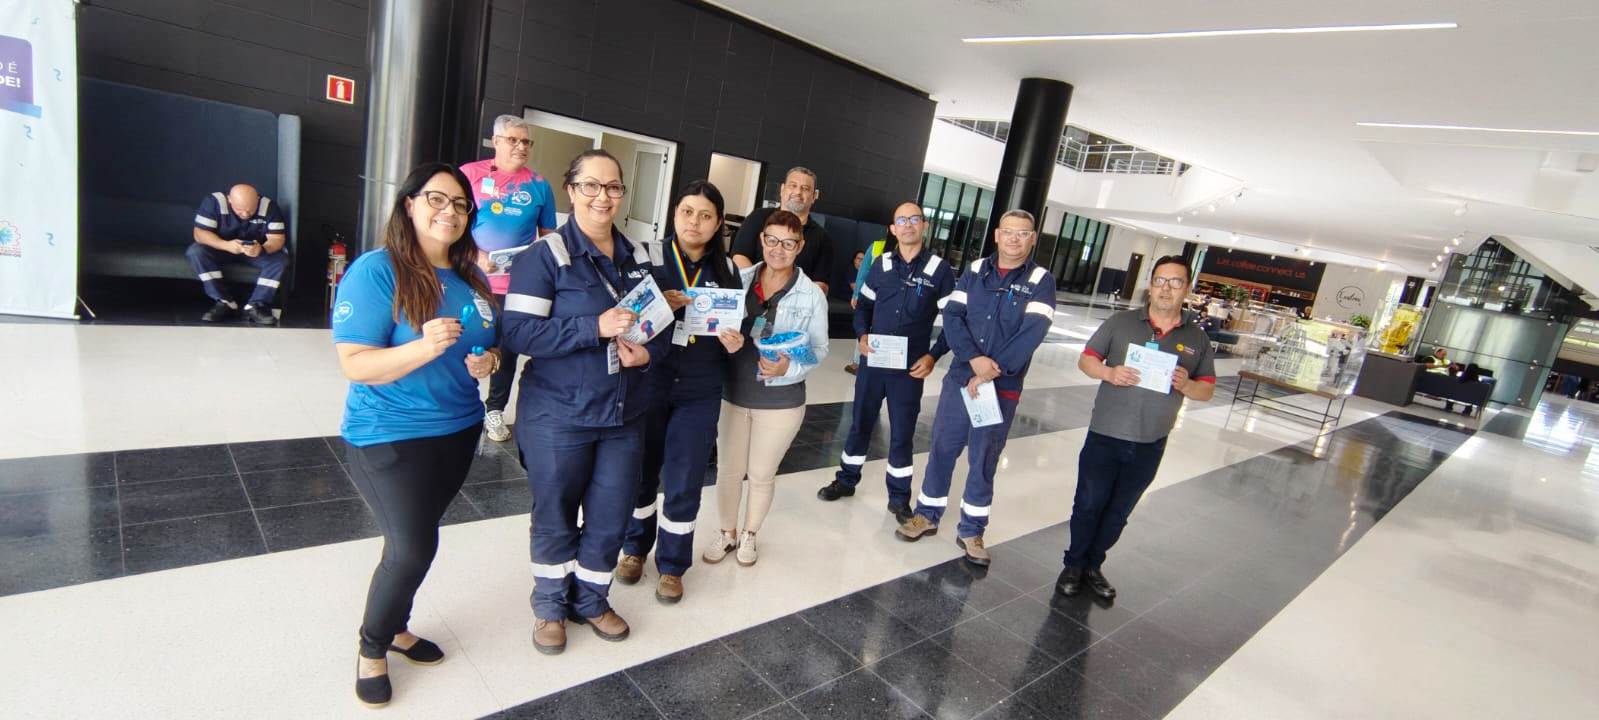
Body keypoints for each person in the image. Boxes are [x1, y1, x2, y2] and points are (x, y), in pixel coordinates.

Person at [330, 163, 500, 708]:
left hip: (458, 431)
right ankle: (372, 646)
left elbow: (489, 344)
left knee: (414, 540)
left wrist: (491, 361)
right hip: (388, 433)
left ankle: (397, 627)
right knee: (412, 547)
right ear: (409, 204)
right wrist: (423, 348)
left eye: (460, 204)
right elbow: (355, 363)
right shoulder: (378, 271)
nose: (450, 211)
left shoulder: (471, 278)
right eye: (436, 199)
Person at [501, 149, 672, 655]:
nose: (603, 196)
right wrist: (591, 327)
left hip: (624, 414)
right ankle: (550, 606)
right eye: (591, 186)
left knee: (611, 514)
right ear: (571, 190)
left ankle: (592, 600)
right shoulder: (544, 257)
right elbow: (518, 332)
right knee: (555, 512)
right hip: (559, 415)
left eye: (613, 187)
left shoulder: (640, 257)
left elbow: (661, 326)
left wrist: (648, 354)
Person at [895, 210, 1057, 567]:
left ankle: (972, 529)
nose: (1014, 239)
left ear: (1032, 239)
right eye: (1009, 232)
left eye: (1023, 234)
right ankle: (927, 514)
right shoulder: (974, 270)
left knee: (983, 458)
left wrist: (989, 371)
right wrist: (973, 359)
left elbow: (1032, 332)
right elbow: (953, 317)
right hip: (960, 379)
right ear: (997, 234)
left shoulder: (1041, 280)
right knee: (942, 447)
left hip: (1001, 385)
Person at [615, 180, 745, 604]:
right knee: (640, 471)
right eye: (688, 212)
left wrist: (735, 343)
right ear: (675, 214)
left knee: (685, 477)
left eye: (706, 216)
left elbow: (737, 328)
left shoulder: (728, 272)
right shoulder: (645, 257)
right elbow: (624, 316)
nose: (695, 222)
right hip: (649, 380)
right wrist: (660, 306)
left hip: (699, 387)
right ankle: (635, 548)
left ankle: (672, 565)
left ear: (718, 224)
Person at [1057, 255, 1217, 600]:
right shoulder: (1122, 323)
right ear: (1151, 284)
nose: (1166, 289)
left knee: (1119, 512)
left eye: (1175, 282)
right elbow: (1086, 360)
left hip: (1151, 442)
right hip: (1106, 434)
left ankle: (1093, 565)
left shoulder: (1197, 339)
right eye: (1160, 280)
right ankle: (1073, 564)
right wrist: (1109, 372)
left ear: (1187, 288)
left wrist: (1187, 384)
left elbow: (1207, 390)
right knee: (1088, 503)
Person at [705, 210, 829, 567]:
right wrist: (723, 342)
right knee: (728, 470)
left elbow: (819, 350)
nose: (778, 249)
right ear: (761, 239)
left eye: (788, 243)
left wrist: (789, 366)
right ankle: (727, 532)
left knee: (761, 474)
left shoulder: (811, 295)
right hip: (733, 393)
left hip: (781, 400)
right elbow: (716, 325)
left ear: (800, 246)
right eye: (772, 240)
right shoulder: (739, 280)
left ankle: (750, 534)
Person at [817, 202, 955, 521]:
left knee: (902, 432)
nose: (908, 225)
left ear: (924, 225)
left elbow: (954, 320)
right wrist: (862, 335)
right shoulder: (881, 264)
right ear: (893, 229)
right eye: (901, 220)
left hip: (909, 369)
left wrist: (933, 356)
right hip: (874, 362)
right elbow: (863, 306)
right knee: (860, 423)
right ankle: (846, 480)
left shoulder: (940, 270)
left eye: (914, 219)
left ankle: (898, 497)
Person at [461, 114, 558, 442]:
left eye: (526, 141)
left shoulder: (539, 185)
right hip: (470, 281)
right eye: (513, 140)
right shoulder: (470, 174)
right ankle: (460, 404)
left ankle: (495, 410)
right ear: (496, 141)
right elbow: (453, 224)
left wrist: (537, 261)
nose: (521, 146)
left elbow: (548, 236)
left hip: (514, 287)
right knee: (464, 342)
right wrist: (476, 255)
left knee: (507, 349)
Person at [187, 183, 289, 325]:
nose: (245, 214)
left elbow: (277, 239)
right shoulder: (214, 202)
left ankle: (256, 305)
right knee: (196, 251)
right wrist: (225, 245)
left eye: (250, 210)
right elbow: (200, 234)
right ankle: (224, 302)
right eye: (239, 210)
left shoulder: (269, 206)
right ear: (229, 200)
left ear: (257, 200)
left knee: (280, 260)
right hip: (221, 247)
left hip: (254, 250)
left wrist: (262, 249)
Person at [729, 167, 834, 296]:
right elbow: (740, 257)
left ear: (814, 196)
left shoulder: (823, 238)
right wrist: (759, 293)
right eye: (793, 185)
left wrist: (788, 299)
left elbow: (821, 286)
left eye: (805, 189)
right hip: (750, 297)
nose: (798, 192)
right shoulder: (757, 218)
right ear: (782, 189)